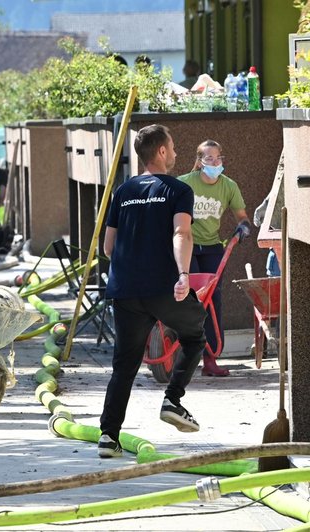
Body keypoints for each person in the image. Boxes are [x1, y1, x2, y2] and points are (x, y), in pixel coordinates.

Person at [98, 124, 208, 458]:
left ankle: (108, 437)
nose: (175, 153)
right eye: (172, 147)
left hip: (125, 290)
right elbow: (181, 234)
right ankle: (172, 400)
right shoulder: (178, 190)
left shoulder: (122, 191)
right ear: (161, 151)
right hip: (163, 287)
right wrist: (184, 274)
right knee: (195, 336)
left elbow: (108, 247)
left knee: (125, 365)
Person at [178, 140, 251, 377]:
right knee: (189, 299)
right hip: (187, 245)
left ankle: (210, 359)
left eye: (218, 158)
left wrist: (242, 230)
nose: (215, 162)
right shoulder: (184, 183)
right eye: (209, 158)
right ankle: (183, 355)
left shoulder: (229, 186)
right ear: (199, 162)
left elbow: (242, 217)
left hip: (212, 247)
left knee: (211, 300)